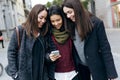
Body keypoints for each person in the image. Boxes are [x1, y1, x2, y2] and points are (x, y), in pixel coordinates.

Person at [62, 0, 118, 80]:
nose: (68, 16)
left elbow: (105, 49)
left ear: (77, 8)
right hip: (81, 67)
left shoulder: (96, 23)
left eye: (70, 12)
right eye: (66, 14)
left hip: (97, 66)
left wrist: (112, 74)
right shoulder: (69, 24)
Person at [6, 4, 57, 80]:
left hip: (41, 75)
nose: (43, 21)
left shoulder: (44, 33)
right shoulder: (20, 31)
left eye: (45, 18)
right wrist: (15, 75)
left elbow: (44, 55)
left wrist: (49, 57)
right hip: (24, 76)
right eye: (41, 18)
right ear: (33, 15)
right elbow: (11, 52)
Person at [48, 5, 81, 80]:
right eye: (52, 21)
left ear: (63, 18)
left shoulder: (71, 30)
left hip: (73, 73)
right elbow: (44, 55)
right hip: (56, 74)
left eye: (58, 20)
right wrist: (48, 57)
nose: (56, 23)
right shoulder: (48, 35)